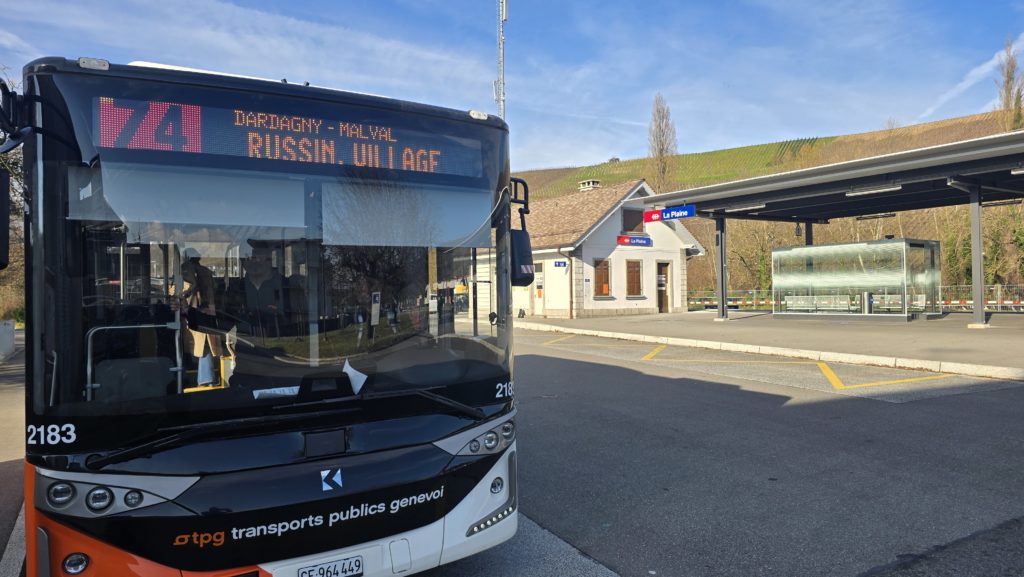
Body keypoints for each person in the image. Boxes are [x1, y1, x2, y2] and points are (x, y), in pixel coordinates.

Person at [177, 248, 222, 386]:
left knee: (192, 345)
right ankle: (206, 377)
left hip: (191, 312)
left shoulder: (184, 270)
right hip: (208, 312)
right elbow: (214, 289)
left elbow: (183, 288)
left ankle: (197, 378)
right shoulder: (206, 272)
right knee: (205, 344)